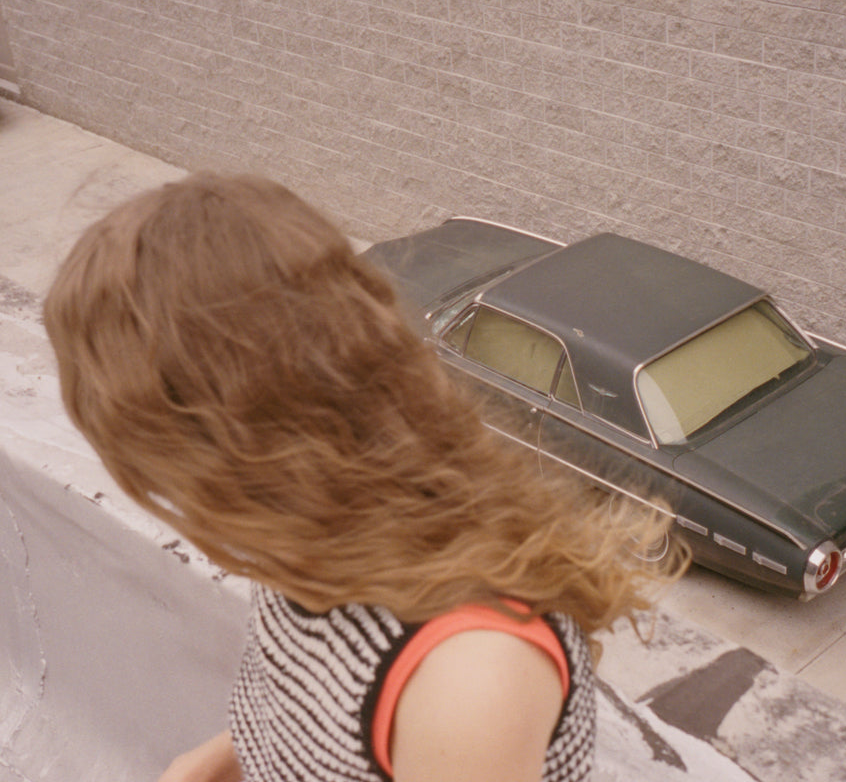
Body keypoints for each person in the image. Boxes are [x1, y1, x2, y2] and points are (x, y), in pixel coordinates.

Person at [43, 173, 686, 782]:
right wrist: (222, 757)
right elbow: (316, 716)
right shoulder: (308, 538)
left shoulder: (471, 679)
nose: (167, 496)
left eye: (160, 467)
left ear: (237, 453)